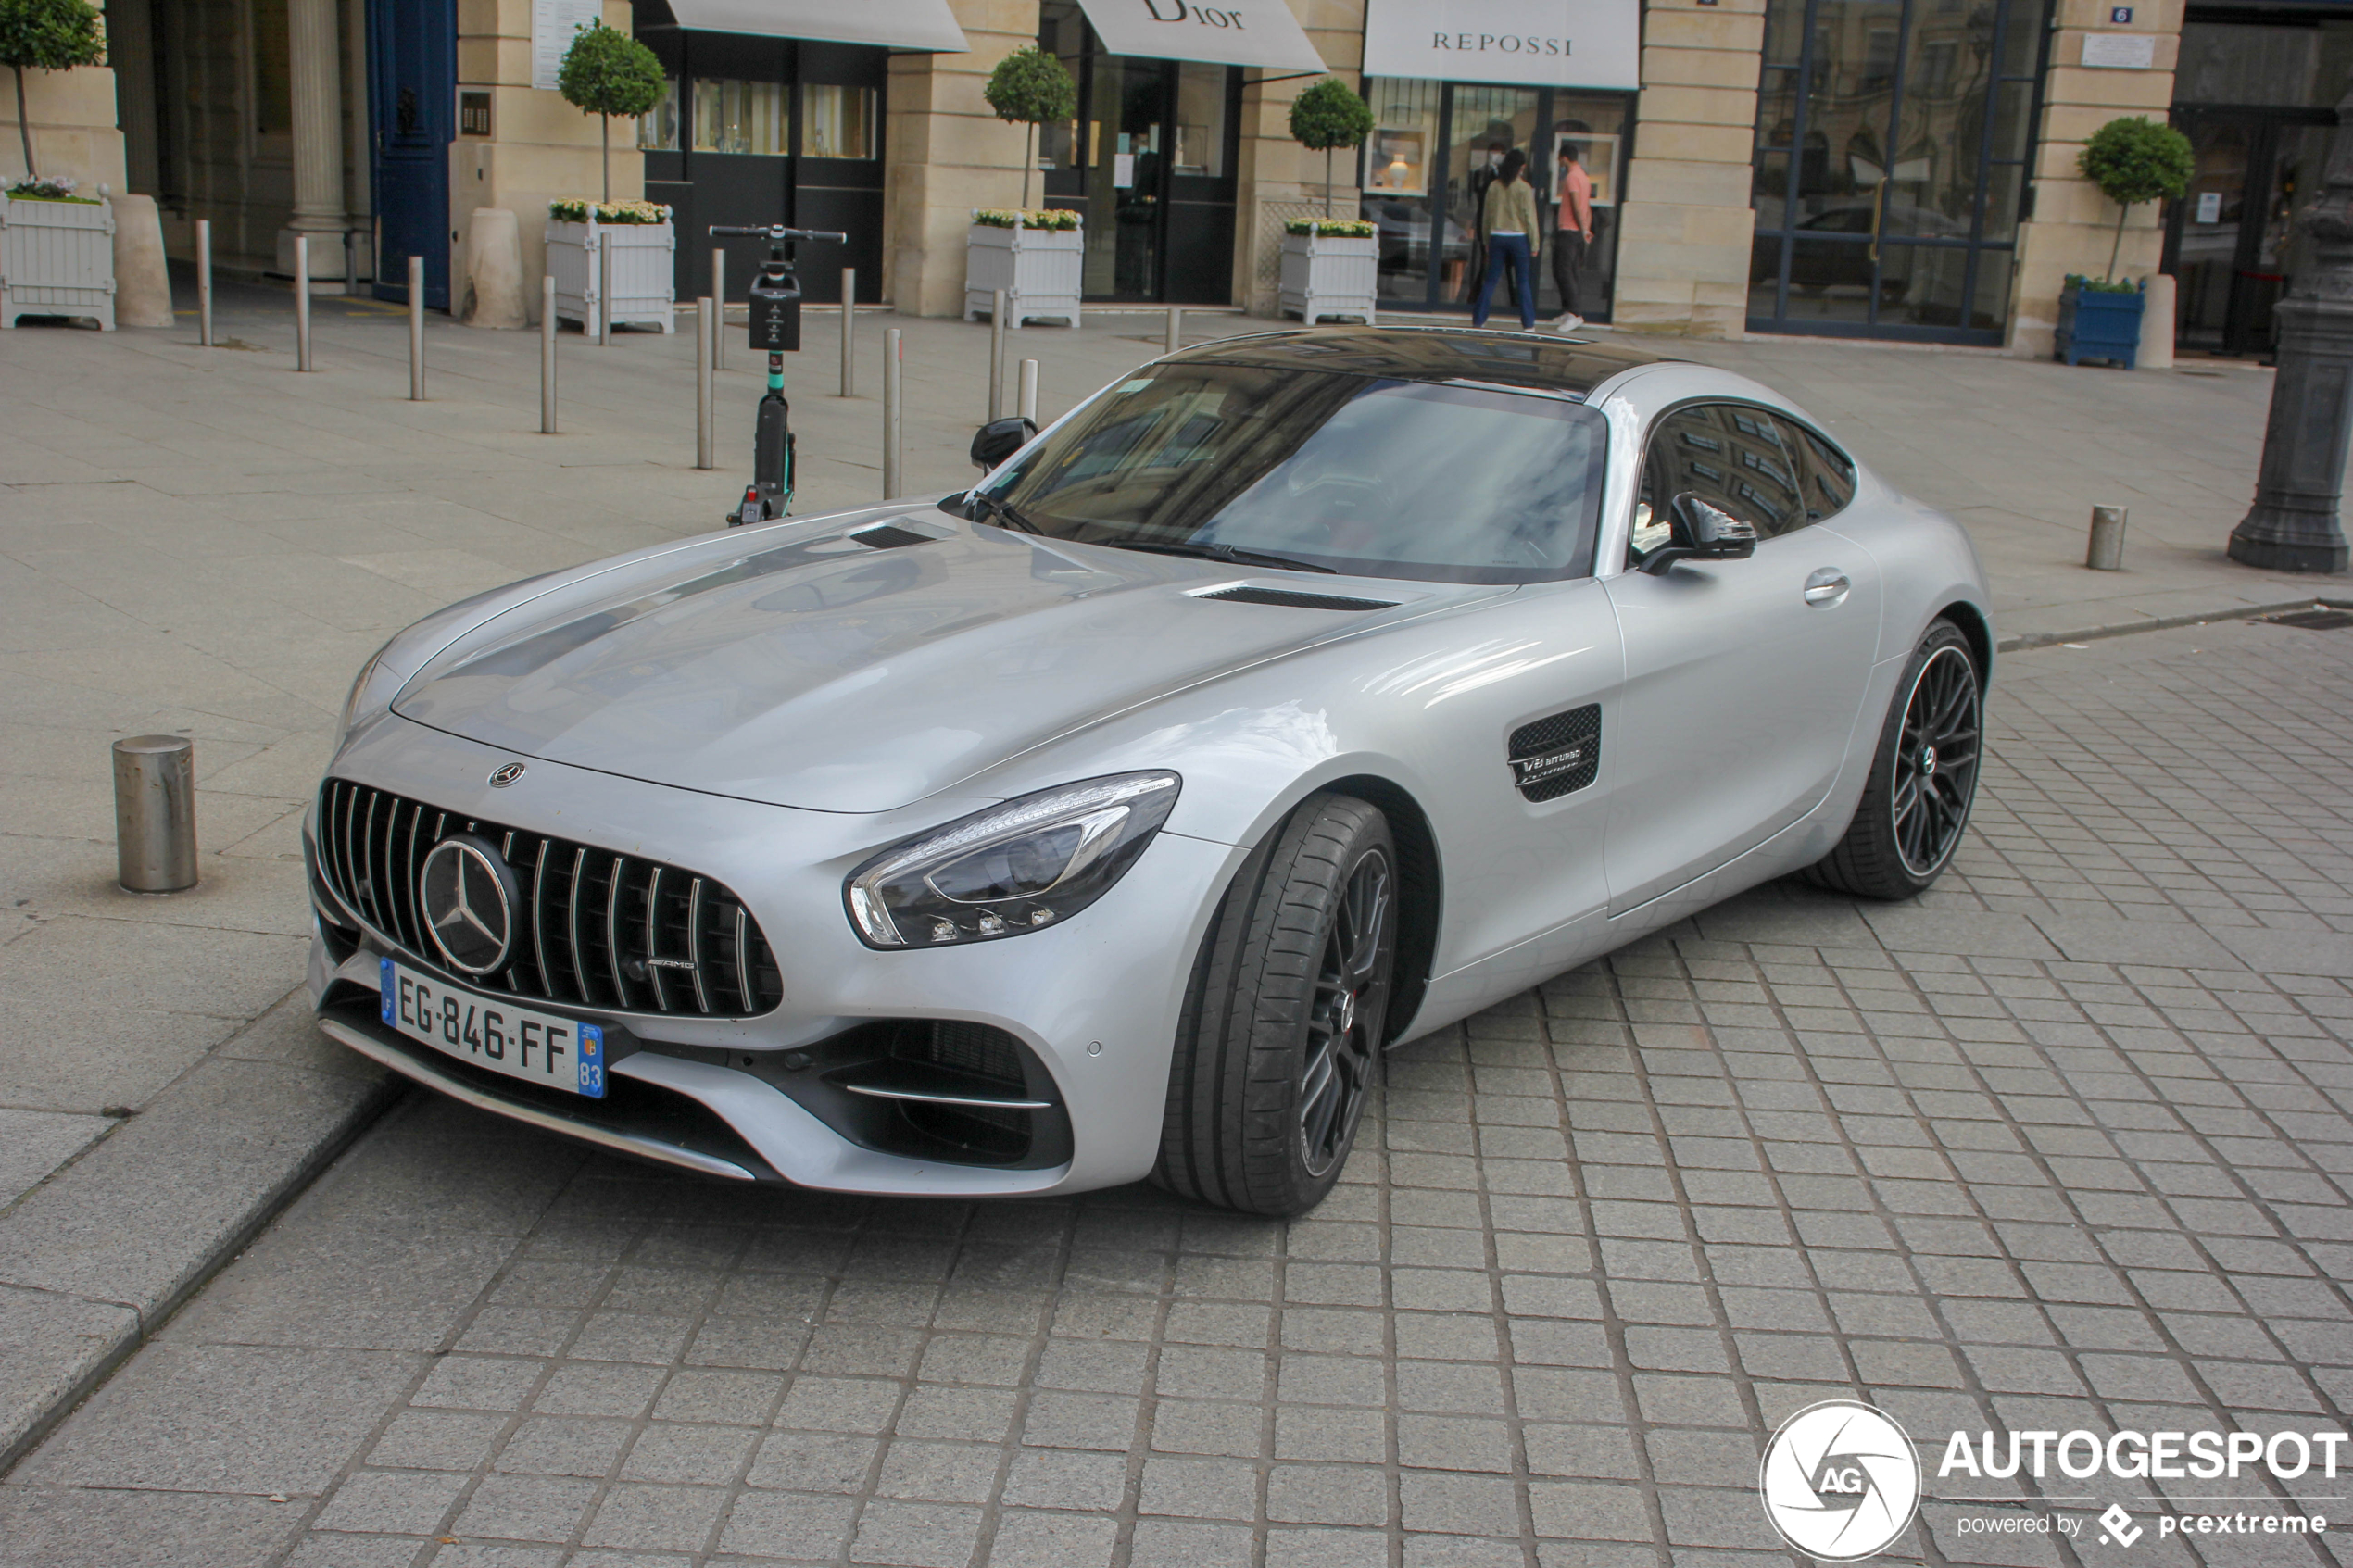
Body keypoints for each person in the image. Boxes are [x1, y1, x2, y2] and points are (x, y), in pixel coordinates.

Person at [1472, 147, 1538, 331]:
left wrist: (1485, 240)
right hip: (1518, 237)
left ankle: (1479, 320)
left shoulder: (1494, 186)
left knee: (1491, 279)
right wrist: (1535, 242)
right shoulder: (1524, 188)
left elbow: (1486, 216)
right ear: (1521, 167)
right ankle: (1528, 324)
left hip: (1497, 236)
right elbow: (1530, 217)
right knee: (1523, 281)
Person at [1551, 141, 1593, 331]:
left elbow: (1577, 205)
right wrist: (1586, 228)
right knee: (1571, 271)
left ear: (1564, 158)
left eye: (1560, 159)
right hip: (1577, 232)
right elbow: (1587, 207)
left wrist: (1583, 228)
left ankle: (1575, 313)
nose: (1559, 162)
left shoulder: (1572, 177)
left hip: (1569, 230)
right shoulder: (1583, 176)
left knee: (1564, 271)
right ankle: (1570, 311)